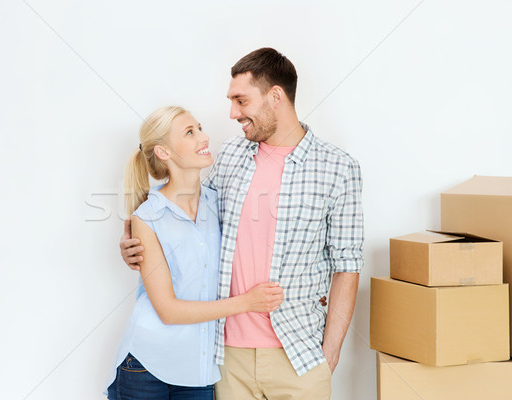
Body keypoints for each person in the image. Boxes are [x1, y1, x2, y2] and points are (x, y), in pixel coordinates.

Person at [120, 48, 364, 400]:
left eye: (241, 100)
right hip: (226, 358)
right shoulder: (231, 156)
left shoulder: (338, 169)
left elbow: (347, 265)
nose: (233, 113)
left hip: (299, 356)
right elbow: (185, 210)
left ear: (275, 96)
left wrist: (330, 354)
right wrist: (135, 234)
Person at [105, 106, 284, 400]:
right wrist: (247, 303)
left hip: (199, 371)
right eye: (191, 132)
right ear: (164, 152)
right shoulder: (147, 217)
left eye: (200, 128)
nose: (204, 137)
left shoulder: (221, 204)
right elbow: (168, 310)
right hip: (145, 367)